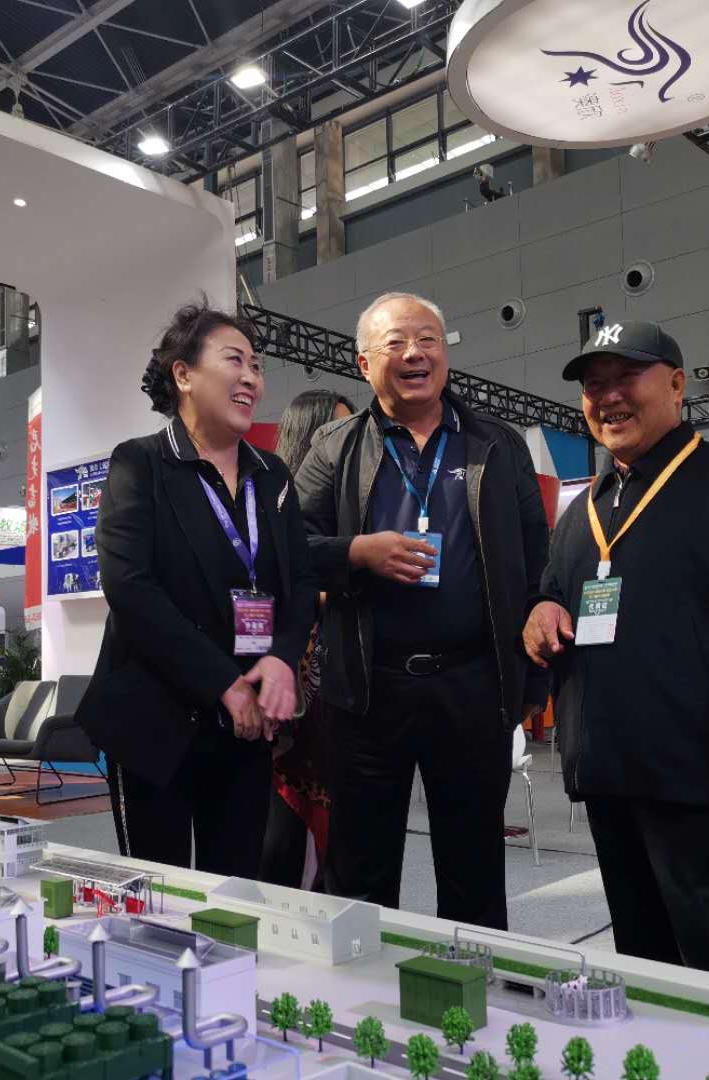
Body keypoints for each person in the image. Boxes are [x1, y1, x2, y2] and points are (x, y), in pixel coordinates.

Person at [524, 321, 709, 989]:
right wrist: (541, 609)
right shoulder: (584, 511)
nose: (609, 397)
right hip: (610, 781)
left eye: (626, 377)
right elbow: (553, 593)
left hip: (706, 789)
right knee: (648, 971)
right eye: (594, 385)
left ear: (678, 384)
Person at [294, 291, 550, 931]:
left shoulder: (497, 444)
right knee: (362, 863)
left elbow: (537, 558)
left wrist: (533, 663)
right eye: (396, 343)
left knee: (474, 862)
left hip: (474, 682)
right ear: (364, 363)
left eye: (429, 340)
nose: (415, 354)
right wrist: (357, 552)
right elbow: (288, 549)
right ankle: (363, 982)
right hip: (367, 688)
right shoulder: (335, 447)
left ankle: (476, 978)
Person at [74, 302, 317, 877]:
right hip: (158, 719)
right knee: (160, 892)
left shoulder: (273, 476)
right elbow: (130, 589)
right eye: (234, 360)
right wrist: (223, 684)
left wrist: (281, 660)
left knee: (235, 889)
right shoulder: (141, 464)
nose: (251, 378)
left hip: (247, 724)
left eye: (256, 366)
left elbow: (301, 581)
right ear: (183, 374)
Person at [260, 389, 356, 890]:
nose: (346, 444)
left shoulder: (351, 509)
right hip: (285, 698)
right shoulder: (269, 504)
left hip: (340, 702)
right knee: (278, 844)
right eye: (334, 432)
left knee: (340, 848)